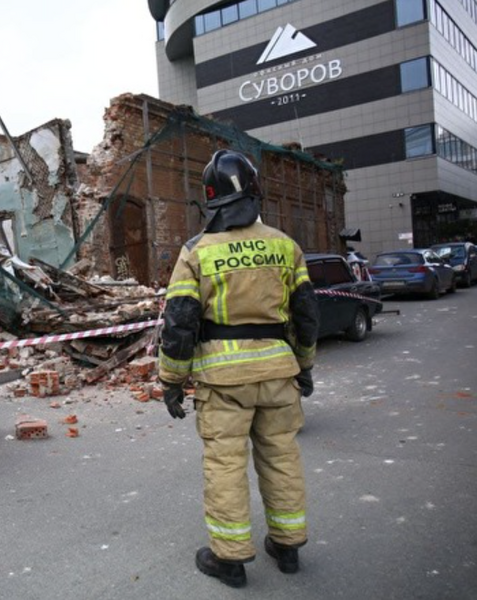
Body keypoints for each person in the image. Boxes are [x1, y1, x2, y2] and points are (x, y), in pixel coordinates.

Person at [159, 150, 319, 589]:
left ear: (211, 201)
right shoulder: (286, 246)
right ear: (253, 192)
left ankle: (229, 559)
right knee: (282, 456)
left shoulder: (197, 252)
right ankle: (287, 546)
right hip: (277, 373)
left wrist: (171, 380)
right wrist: (304, 366)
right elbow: (306, 315)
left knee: (225, 465)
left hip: (223, 381)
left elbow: (180, 322)